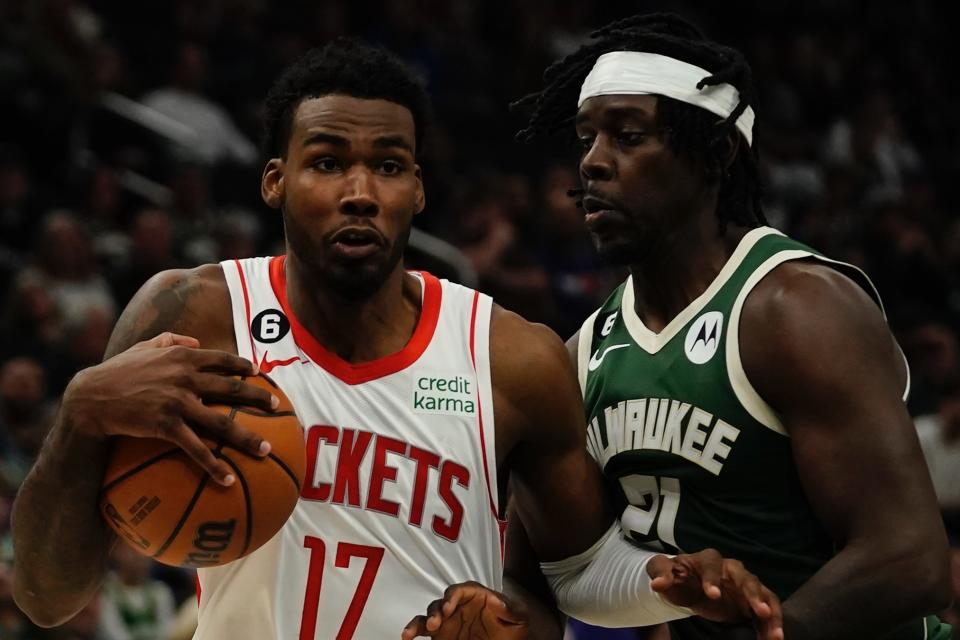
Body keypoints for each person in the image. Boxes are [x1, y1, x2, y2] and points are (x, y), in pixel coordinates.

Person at [11, 38, 784, 640]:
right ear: (274, 180)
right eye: (327, 162)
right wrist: (80, 412)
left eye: (387, 166)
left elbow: (579, 575)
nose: (358, 193)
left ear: (418, 187)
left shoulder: (509, 356)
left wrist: (669, 578)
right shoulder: (196, 314)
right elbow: (48, 600)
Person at [412, 13, 953, 640]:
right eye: (586, 138)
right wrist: (491, 621)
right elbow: (545, 584)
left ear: (716, 153)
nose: (593, 162)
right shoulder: (582, 352)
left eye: (628, 135)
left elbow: (911, 558)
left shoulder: (794, 309)